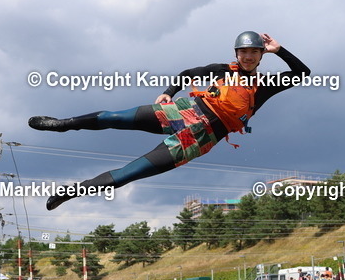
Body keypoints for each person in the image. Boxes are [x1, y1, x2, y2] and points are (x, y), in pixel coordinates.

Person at [29, 32, 310, 210]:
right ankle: (61, 124)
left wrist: (279, 49)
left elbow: (302, 73)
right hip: (184, 111)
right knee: (115, 117)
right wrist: (169, 93)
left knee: (130, 173)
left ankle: (72, 191)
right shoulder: (222, 70)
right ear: (236, 53)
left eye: (254, 52)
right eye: (243, 52)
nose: (248, 57)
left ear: (261, 56)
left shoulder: (265, 86)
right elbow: (188, 74)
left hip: (201, 137)